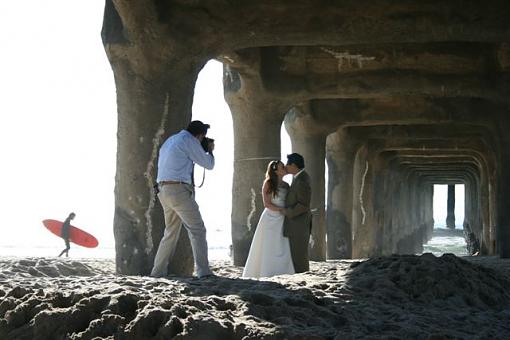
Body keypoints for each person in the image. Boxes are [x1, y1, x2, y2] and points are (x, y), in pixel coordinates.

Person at [151, 120, 215, 278]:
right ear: (200, 135)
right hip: (178, 190)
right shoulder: (189, 140)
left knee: (170, 233)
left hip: (163, 189)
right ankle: (204, 272)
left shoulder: (171, 140)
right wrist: (210, 151)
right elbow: (208, 164)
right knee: (198, 230)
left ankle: (157, 272)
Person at [242, 160, 295, 278]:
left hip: (283, 218)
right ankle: (267, 271)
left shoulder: (286, 185)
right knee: (269, 245)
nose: (285, 168)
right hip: (270, 218)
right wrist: (281, 210)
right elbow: (267, 204)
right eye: (282, 167)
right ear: (276, 171)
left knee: (282, 244)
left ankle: (282, 270)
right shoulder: (269, 183)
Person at [283, 153, 312, 273]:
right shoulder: (298, 177)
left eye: (287, 164)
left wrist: (288, 212)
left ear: (293, 165)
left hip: (299, 224)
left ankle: (302, 275)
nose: (285, 167)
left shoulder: (302, 180)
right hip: (296, 223)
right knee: (296, 253)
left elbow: (303, 205)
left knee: (299, 254)